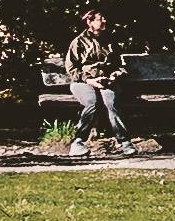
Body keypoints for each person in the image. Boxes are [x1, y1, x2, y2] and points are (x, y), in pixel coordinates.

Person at [52, 11, 134, 157]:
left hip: (106, 81)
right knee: (92, 103)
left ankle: (125, 142)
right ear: (90, 23)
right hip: (83, 82)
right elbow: (71, 69)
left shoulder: (110, 41)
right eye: (100, 18)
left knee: (111, 102)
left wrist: (115, 75)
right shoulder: (78, 42)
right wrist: (89, 80)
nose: (104, 20)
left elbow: (120, 65)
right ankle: (77, 142)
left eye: (104, 17)